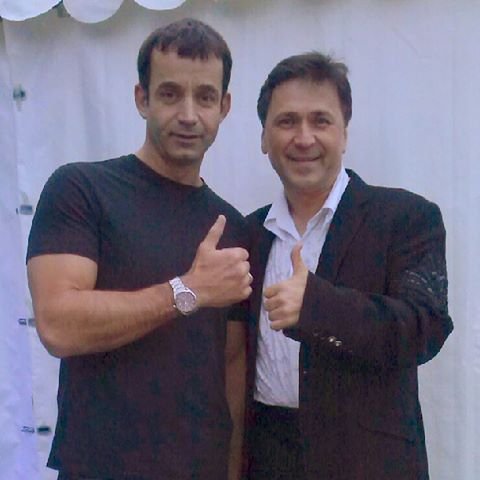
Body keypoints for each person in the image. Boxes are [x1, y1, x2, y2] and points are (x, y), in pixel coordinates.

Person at [27, 18, 252, 480]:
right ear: (141, 99)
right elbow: (57, 324)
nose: (188, 114)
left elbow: (230, 365)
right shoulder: (81, 189)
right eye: (170, 94)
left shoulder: (231, 226)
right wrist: (187, 290)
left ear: (224, 107)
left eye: (204, 97)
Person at [245, 52, 453, 480]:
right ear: (264, 137)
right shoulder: (246, 233)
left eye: (320, 121)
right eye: (287, 121)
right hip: (267, 460)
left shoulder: (406, 218)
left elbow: (425, 327)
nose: (304, 138)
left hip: (366, 463)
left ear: (344, 134)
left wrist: (318, 306)